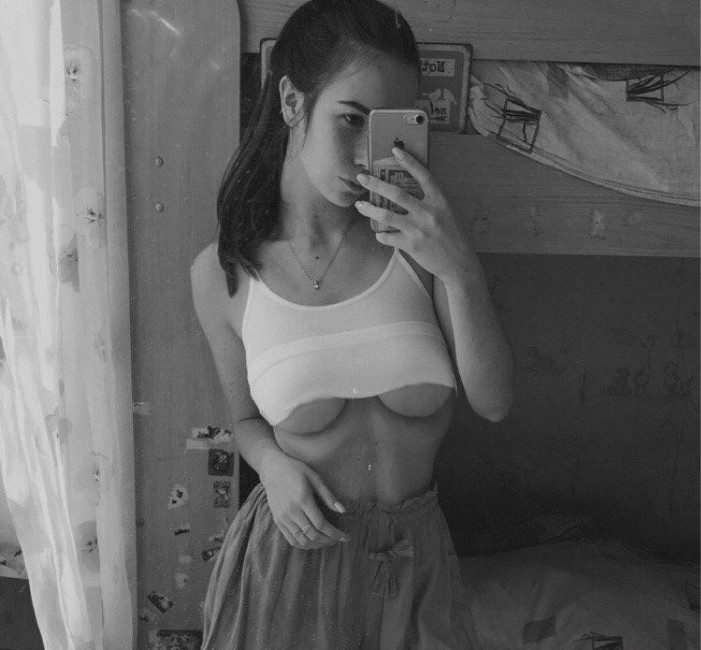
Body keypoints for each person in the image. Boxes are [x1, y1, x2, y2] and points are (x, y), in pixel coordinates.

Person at [191, 0, 514, 647]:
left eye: (390, 125)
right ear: (292, 101)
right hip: (288, 565)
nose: (370, 151)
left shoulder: (422, 254)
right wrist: (273, 470)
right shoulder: (223, 274)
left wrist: (460, 268)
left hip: (414, 561)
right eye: (351, 118)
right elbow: (245, 420)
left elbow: (494, 401)